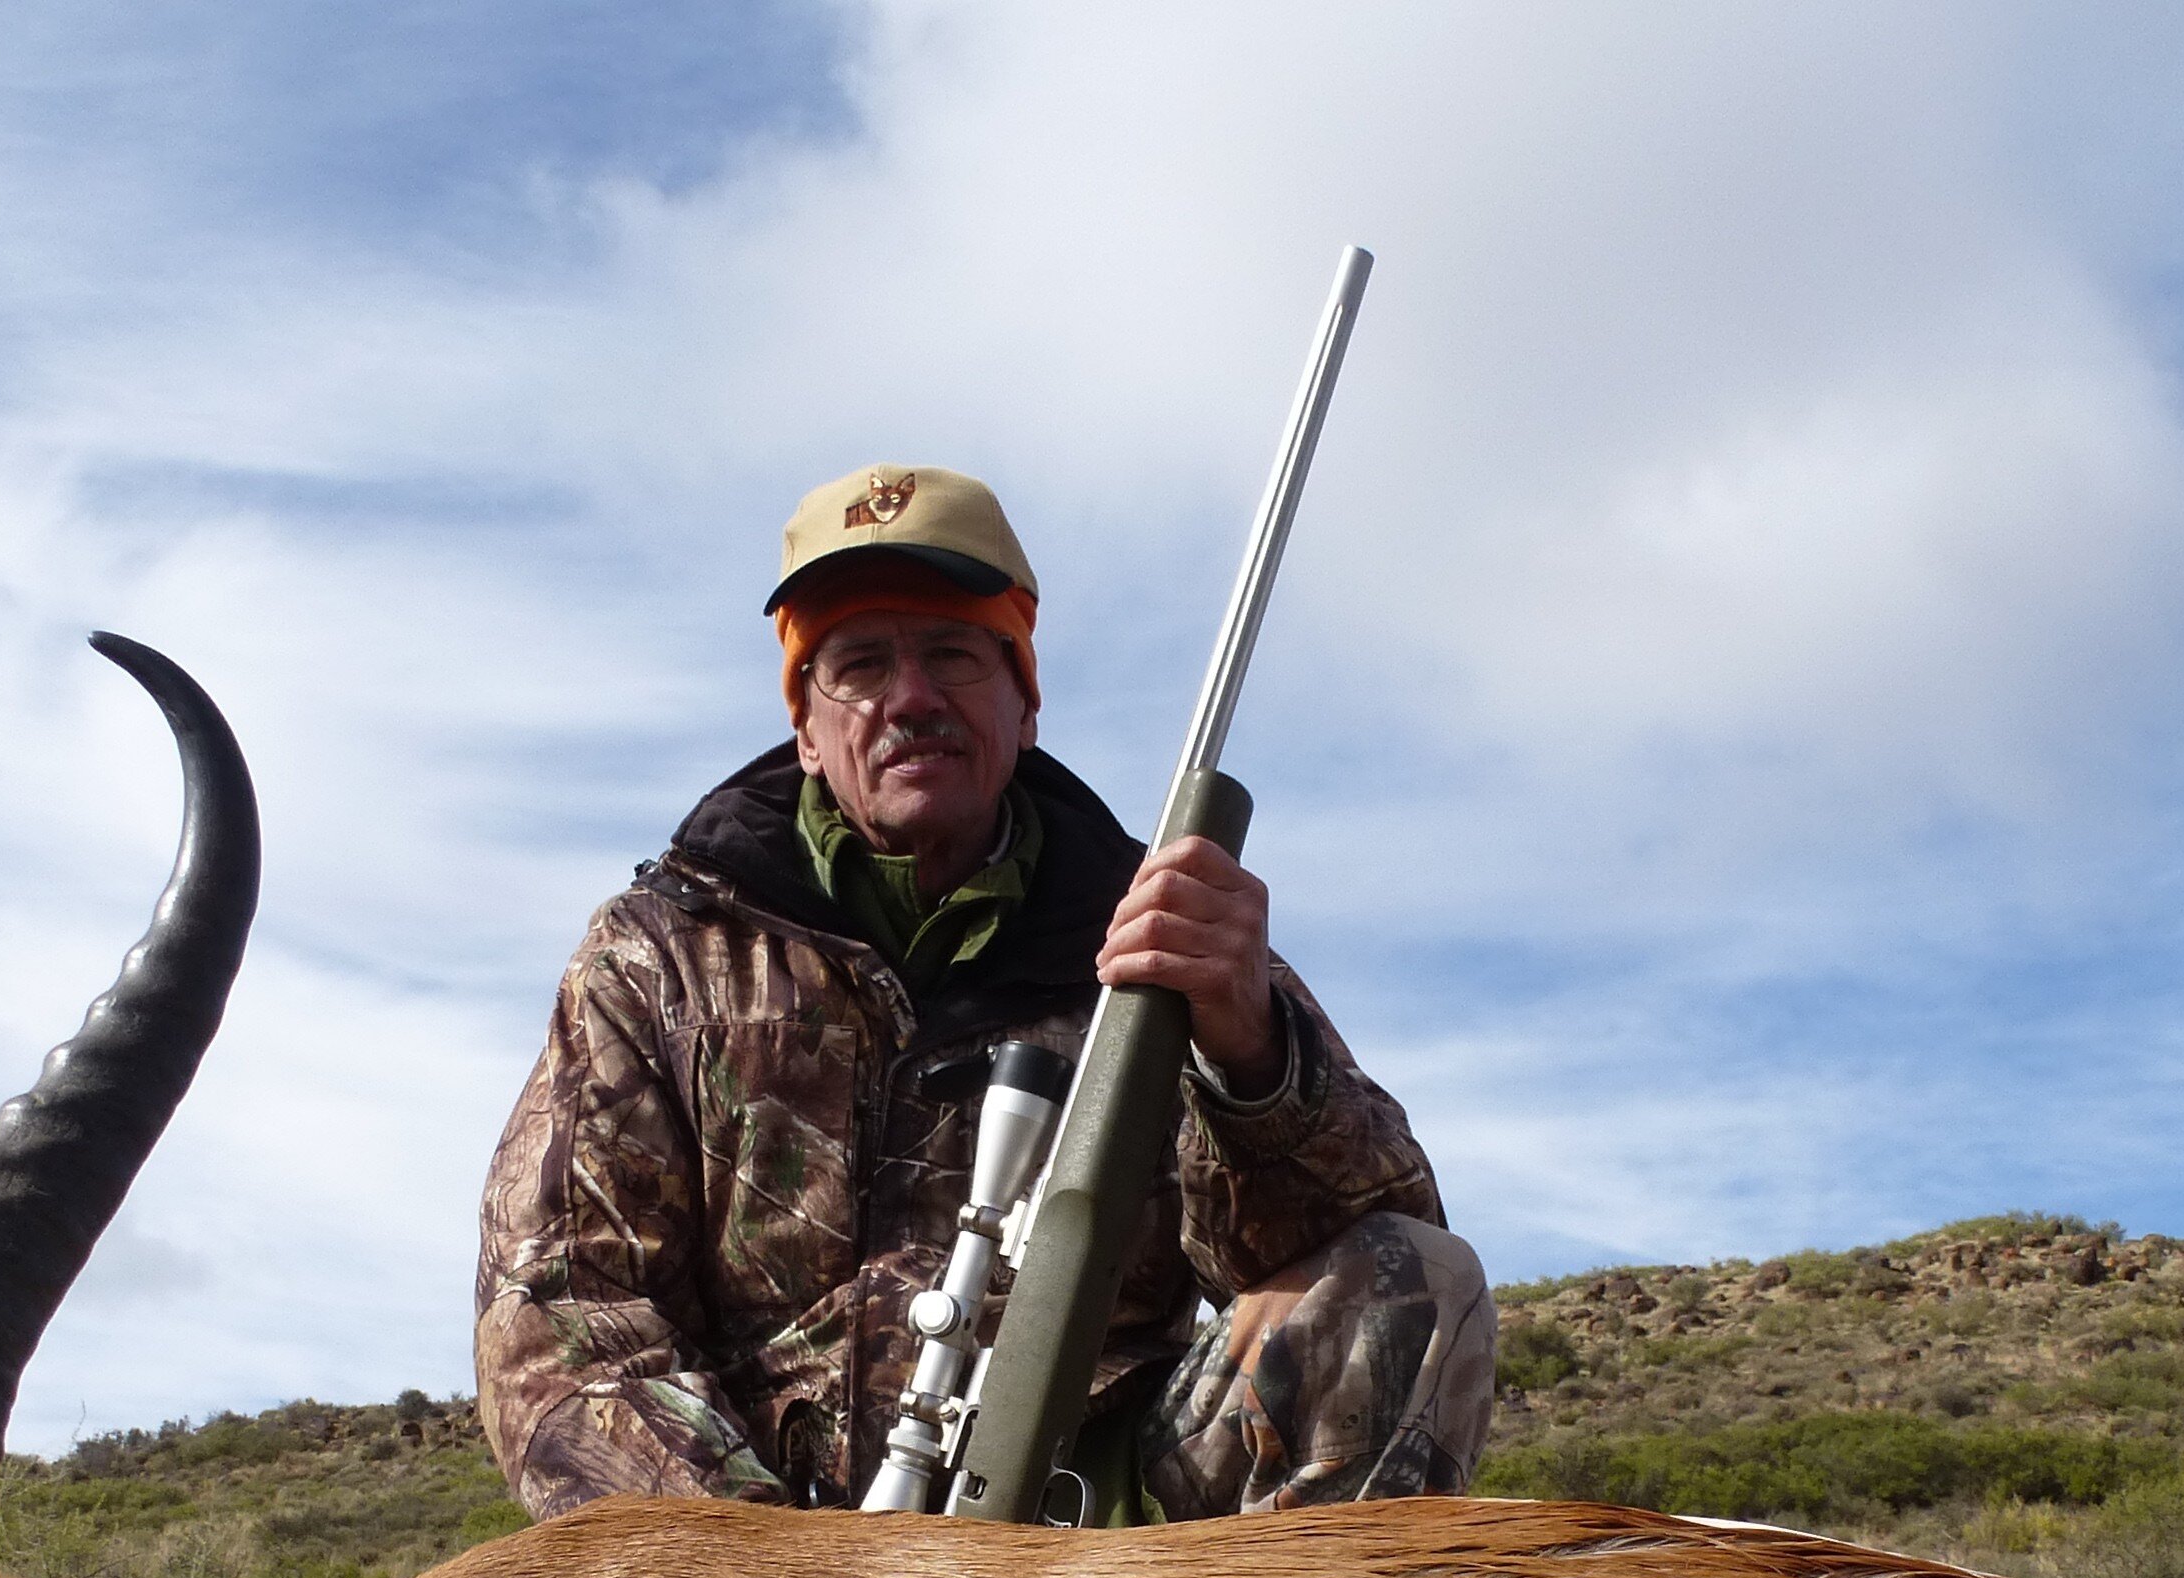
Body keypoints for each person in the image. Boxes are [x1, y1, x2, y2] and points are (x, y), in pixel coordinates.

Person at [476, 462, 1491, 1520]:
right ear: (807, 735)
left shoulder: (1165, 937)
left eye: (954, 653)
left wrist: (1254, 1057)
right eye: (859, 665)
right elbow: (559, 1306)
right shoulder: (658, 956)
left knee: (1408, 1275)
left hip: (1092, 1540)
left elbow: (1383, 1260)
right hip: (759, 1562)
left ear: (1023, 703)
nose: (910, 699)